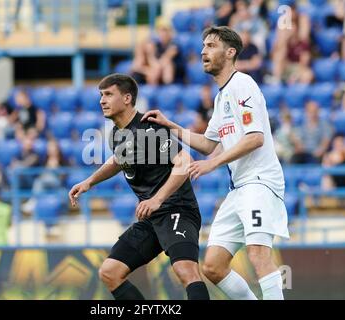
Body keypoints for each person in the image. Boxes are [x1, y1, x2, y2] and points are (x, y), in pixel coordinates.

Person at [142, 26, 289, 300]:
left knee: (258, 254)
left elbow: (255, 138)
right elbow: (209, 144)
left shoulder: (242, 84)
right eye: (203, 46)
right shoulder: (222, 97)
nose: (203, 51)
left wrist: (211, 165)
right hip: (238, 189)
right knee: (213, 267)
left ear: (230, 52)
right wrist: (171, 125)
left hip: (259, 182)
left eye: (211, 45)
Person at [68, 74, 209, 300]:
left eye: (108, 94)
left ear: (127, 98)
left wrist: (157, 199)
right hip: (150, 217)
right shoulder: (116, 134)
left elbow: (184, 162)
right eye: (100, 95)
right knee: (110, 272)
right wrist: (89, 182)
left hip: (177, 209)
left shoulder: (150, 128)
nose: (102, 101)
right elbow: (118, 160)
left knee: (186, 271)